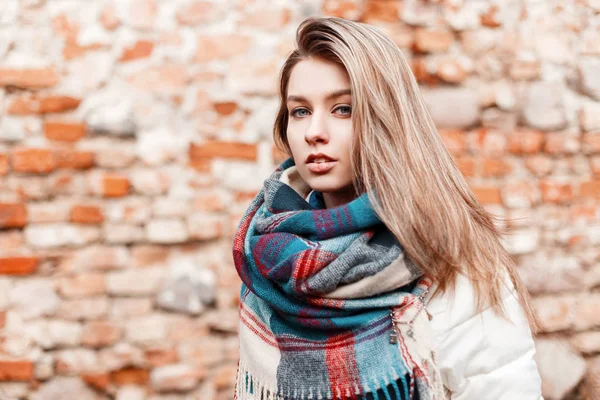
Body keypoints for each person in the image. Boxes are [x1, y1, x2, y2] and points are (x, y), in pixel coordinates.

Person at [232, 16, 544, 400]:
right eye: (300, 111)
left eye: (343, 109)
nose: (315, 130)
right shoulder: (270, 257)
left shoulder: (453, 261)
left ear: (387, 119)